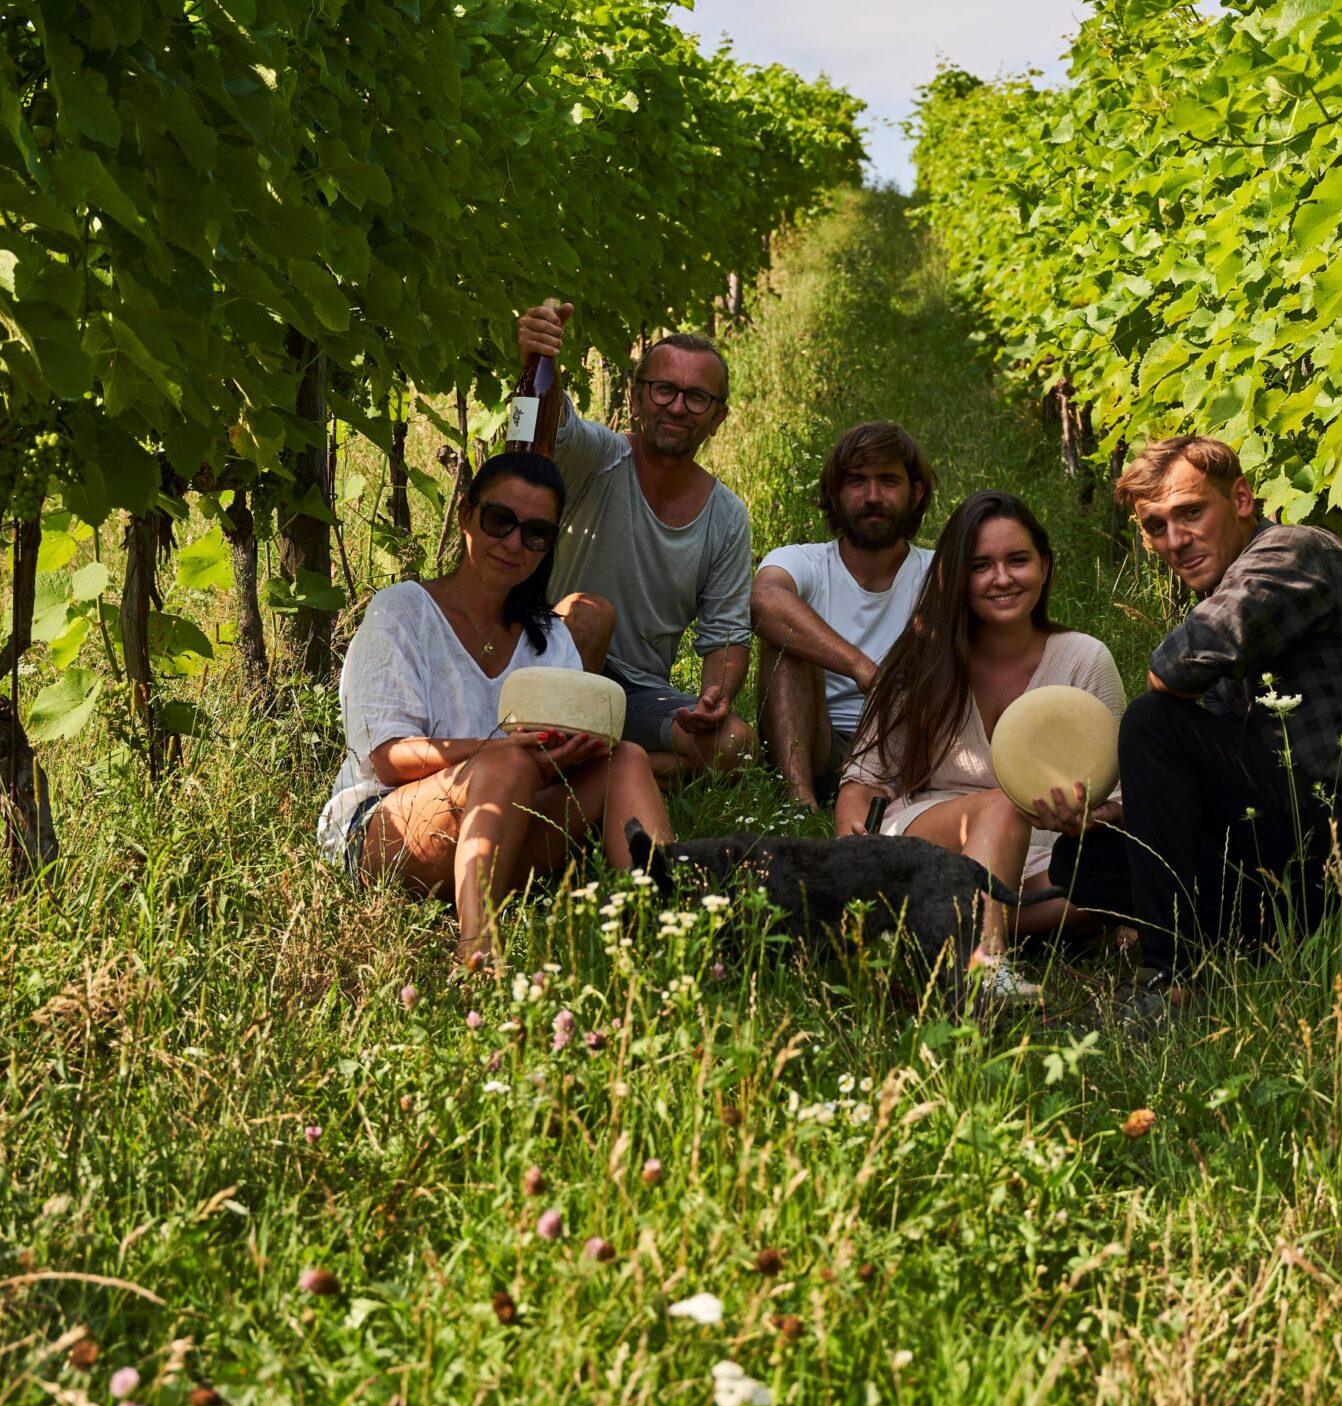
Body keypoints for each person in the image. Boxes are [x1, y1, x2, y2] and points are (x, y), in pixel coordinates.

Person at [1045, 434, 1342, 975]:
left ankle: (1167, 976)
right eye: (1156, 526)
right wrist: (1133, 812)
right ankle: (1263, 948)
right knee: (1087, 860)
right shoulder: (1234, 596)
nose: (1175, 540)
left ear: (1243, 499)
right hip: (1305, 848)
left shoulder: (1293, 551)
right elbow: (1216, 764)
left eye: (1190, 512)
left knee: (1152, 721)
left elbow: (1171, 669)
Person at [316, 448, 671, 966]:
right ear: (466, 516)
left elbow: (551, 756)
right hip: (387, 828)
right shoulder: (403, 611)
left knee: (629, 759)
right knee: (508, 760)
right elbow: (387, 759)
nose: (513, 543)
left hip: (505, 818)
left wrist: (569, 750)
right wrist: (496, 750)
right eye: (499, 520)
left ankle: (666, 927)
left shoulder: (547, 636)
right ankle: (477, 950)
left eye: (535, 533)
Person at [835, 489, 1126, 994]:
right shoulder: (921, 659)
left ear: (1045, 567)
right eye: (981, 565)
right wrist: (851, 835)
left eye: (1018, 560)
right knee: (1004, 806)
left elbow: (1122, 800)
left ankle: (933, 922)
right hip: (932, 833)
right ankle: (982, 970)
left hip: (1042, 856)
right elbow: (864, 778)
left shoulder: (1084, 659)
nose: (1003, 579)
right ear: (955, 577)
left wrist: (1086, 820)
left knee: (1118, 887)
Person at [516, 299, 756, 778]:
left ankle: (590, 770)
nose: (677, 407)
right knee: (588, 614)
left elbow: (726, 636)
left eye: (697, 397)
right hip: (551, 663)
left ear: (718, 418)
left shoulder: (726, 516)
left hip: (635, 694)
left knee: (738, 746)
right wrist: (539, 358)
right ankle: (583, 763)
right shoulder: (595, 456)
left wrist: (715, 697)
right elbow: (547, 428)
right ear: (635, 396)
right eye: (664, 389)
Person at [753, 421, 936, 810]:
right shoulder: (803, 561)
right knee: (785, 646)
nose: (872, 496)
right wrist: (863, 669)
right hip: (819, 744)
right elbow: (763, 599)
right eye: (856, 481)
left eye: (888, 481)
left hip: (907, 748)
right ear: (835, 493)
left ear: (915, 493)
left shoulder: (938, 572)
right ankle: (800, 804)